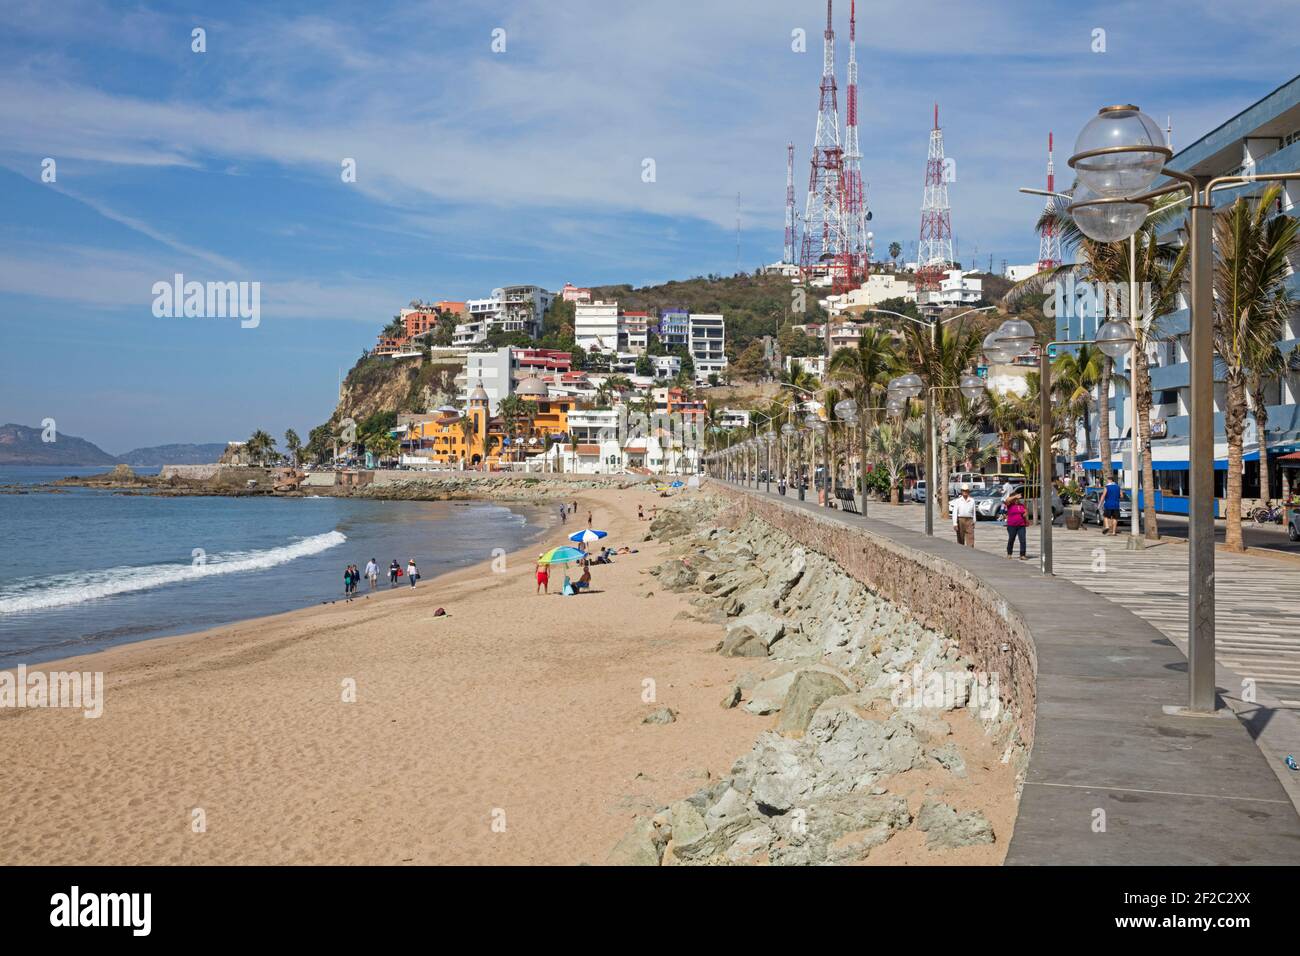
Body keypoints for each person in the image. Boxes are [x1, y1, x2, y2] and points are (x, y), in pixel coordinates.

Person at [952, 483, 977, 547]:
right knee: (960, 538)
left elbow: (974, 512)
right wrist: (955, 523)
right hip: (960, 520)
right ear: (961, 491)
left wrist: (974, 521)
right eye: (963, 490)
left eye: (966, 490)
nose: (965, 492)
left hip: (969, 520)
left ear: (968, 491)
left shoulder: (972, 500)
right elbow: (955, 512)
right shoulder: (958, 501)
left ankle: (970, 552)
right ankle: (961, 552)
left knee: (970, 538)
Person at [1005, 492, 1029, 560]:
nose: (1017, 500)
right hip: (1012, 525)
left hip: (1021, 525)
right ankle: (1009, 553)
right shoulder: (1009, 505)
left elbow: (1025, 513)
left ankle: (1022, 554)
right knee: (1011, 539)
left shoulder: (1021, 505)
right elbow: (1007, 500)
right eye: (1016, 499)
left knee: (1023, 540)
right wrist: (1015, 496)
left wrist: (1025, 513)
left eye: (1018, 499)